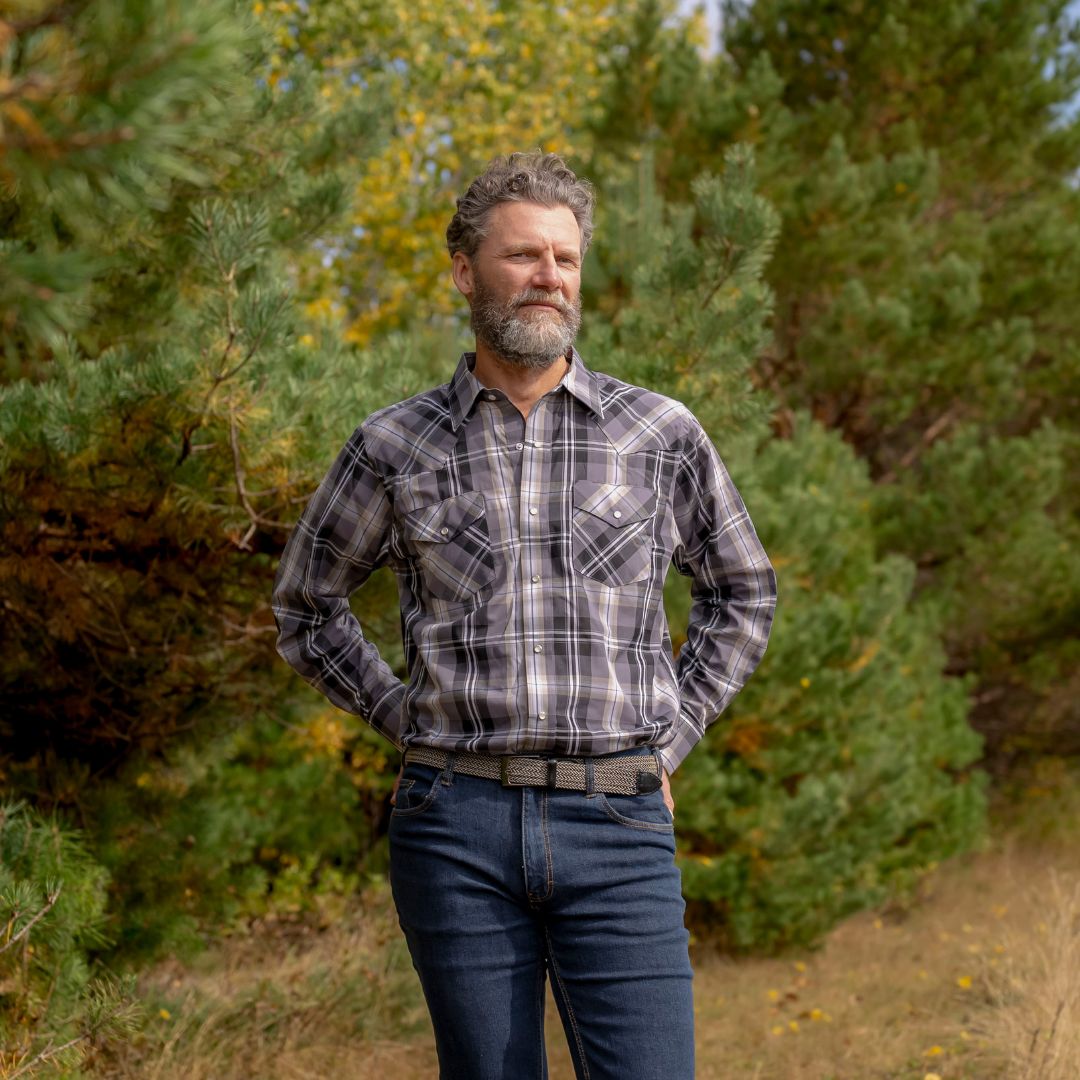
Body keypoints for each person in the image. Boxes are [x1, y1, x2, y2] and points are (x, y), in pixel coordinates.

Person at [272, 151, 776, 1079]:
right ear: (465, 272)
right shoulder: (394, 444)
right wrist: (403, 719)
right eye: (523, 256)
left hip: (619, 821)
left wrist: (673, 736)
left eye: (566, 259)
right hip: (454, 822)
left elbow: (744, 590)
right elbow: (307, 608)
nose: (549, 276)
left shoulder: (658, 434)